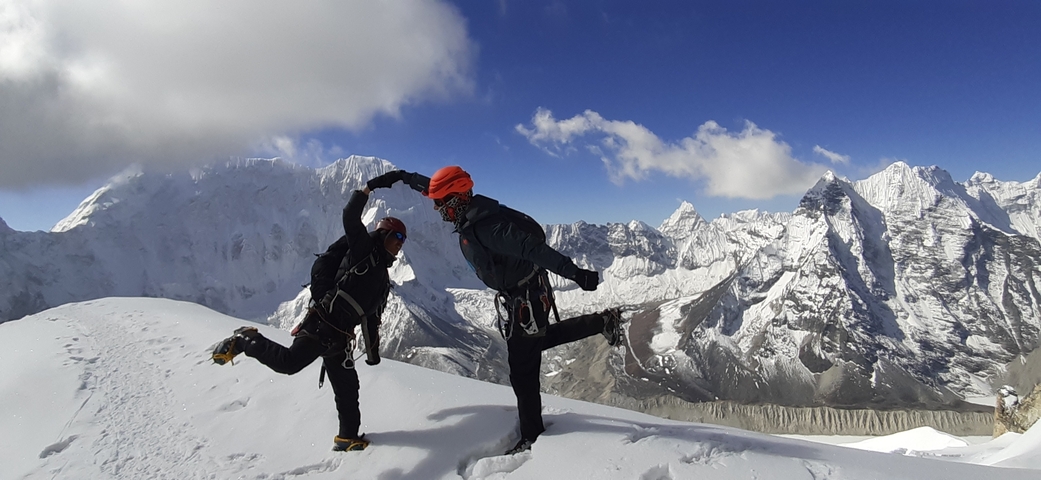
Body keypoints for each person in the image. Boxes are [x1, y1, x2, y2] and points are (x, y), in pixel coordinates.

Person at [367, 166, 624, 454]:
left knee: (522, 372)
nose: (437, 208)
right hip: (525, 294)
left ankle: (532, 437)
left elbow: (532, 249)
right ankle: (602, 322)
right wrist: (400, 177)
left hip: (525, 298)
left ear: (456, 200)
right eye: (438, 201)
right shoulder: (468, 209)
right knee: (535, 343)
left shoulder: (488, 228)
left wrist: (575, 273)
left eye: (442, 203)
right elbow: (431, 188)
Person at [211, 179, 407, 452]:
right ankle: (246, 340)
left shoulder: (383, 279)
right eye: (396, 237)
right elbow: (350, 217)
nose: (400, 244)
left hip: (339, 338)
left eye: (402, 240)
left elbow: (370, 317)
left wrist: (373, 355)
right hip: (322, 325)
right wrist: (368, 188)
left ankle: (347, 438)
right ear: (384, 234)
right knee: (290, 363)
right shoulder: (364, 250)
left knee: (348, 390)